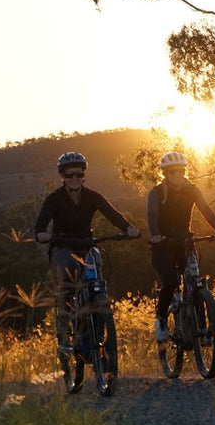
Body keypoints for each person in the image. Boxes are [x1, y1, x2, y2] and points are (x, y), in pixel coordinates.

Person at [34, 151, 140, 354]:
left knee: (97, 276)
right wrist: (41, 234)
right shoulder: (54, 199)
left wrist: (128, 228)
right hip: (62, 246)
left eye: (78, 174)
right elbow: (41, 222)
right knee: (69, 269)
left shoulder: (93, 197)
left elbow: (112, 214)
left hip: (86, 244)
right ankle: (65, 319)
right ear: (62, 177)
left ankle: (97, 328)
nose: (74, 179)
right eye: (69, 175)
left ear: (84, 175)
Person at [147, 150, 215, 342]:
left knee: (195, 280)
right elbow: (152, 215)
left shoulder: (192, 189)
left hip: (185, 242)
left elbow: (206, 210)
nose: (177, 175)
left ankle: (202, 329)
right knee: (171, 282)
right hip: (163, 245)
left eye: (180, 171)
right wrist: (156, 235)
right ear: (165, 174)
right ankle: (161, 320)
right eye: (172, 172)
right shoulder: (156, 193)